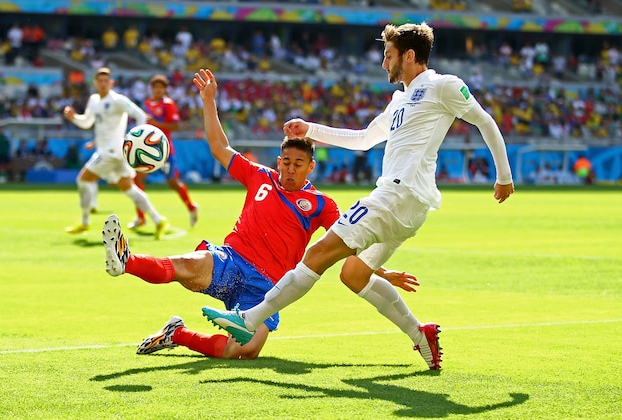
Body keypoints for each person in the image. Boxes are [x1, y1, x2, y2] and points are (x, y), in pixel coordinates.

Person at [202, 22, 515, 370]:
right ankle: (420, 334)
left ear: (409, 56)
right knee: (353, 274)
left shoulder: (443, 86)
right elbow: (365, 138)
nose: (384, 63)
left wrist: (504, 177)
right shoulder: (398, 101)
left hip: (398, 195)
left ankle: (248, 319)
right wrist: (312, 130)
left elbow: (485, 121)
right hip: (409, 206)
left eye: (389, 55)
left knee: (318, 253)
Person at [101, 68, 419, 360]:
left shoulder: (321, 204)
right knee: (186, 266)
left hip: (267, 288)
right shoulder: (260, 176)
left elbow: (349, 243)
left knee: (243, 351)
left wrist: (380, 270)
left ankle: (178, 334)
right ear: (278, 161)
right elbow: (218, 145)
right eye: (286, 161)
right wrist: (208, 101)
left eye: (298, 164)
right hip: (230, 260)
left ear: (311, 167)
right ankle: (125, 260)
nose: (290, 169)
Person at [63, 67, 168, 239]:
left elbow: (140, 115)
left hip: (111, 152)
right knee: (129, 189)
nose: (103, 84)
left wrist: (138, 140)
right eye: (100, 81)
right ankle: (158, 219)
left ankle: (84, 222)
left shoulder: (118, 100)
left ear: (111, 83)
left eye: (106, 81)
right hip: (113, 152)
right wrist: (74, 117)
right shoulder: (94, 100)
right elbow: (87, 122)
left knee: (83, 180)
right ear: (95, 83)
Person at [128, 73, 198, 229]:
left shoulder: (168, 104)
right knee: (137, 180)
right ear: (151, 88)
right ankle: (141, 217)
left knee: (173, 183)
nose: (158, 90)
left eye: (162, 87)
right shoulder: (146, 104)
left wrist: (155, 122)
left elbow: (175, 126)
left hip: (164, 151)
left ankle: (191, 207)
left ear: (166, 89)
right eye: (156, 87)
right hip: (147, 150)